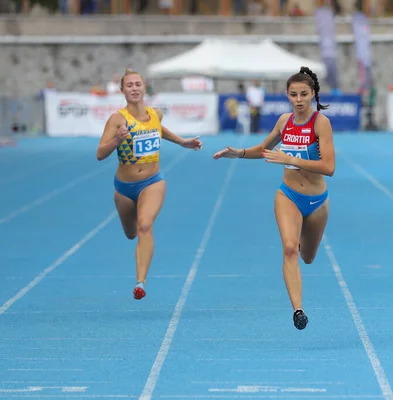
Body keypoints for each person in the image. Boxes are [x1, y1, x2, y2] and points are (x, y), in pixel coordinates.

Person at [213, 66, 335, 330]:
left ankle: (303, 241)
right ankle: (298, 310)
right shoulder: (283, 121)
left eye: (304, 94)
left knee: (308, 257)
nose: (299, 99)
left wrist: (291, 158)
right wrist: (240, 153)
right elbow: (264, 149)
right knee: (289, 248)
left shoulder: (320, 123)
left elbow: (329, 167)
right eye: (294, 95)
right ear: (287, 96)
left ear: (312, 94)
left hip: (316, 201)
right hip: (288, 195)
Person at [96, 68, 202, 300]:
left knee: (145, 226)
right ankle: (136, 246)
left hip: (153, 182)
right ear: (123, 90)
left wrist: (182, 142)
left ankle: (140, 282)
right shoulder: (118, 119)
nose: (134, 88)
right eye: (129, 85)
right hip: (124, 188)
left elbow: (158, 129)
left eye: (138, 84)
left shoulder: (156, 114)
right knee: (131, 233)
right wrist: (117, 139)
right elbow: (100, 153)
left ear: (145, 88)